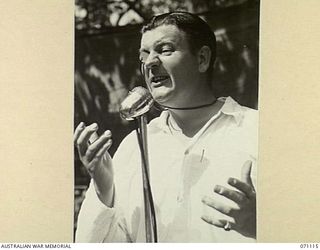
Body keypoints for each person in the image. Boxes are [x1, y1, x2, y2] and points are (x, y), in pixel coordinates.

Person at [74, 11, 258, 243]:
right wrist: (104, 189)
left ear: (202, 59)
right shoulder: (135, 145)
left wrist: (261, 225)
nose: (150, 62)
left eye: (164, 50)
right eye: (144, 56)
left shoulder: (257, 130)